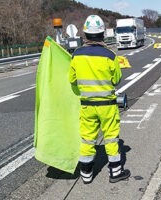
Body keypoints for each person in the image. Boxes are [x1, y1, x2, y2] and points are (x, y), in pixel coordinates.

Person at [69, 15, 130, 184]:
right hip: (107, 106)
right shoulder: (110, 55)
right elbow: (117, 79)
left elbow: (72, 80)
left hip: (87, 106)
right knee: (111, 138)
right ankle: (115, 172)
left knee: (87, 139)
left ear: (85, 35)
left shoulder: (76, 55)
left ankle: (86, 174)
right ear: (102, 34)